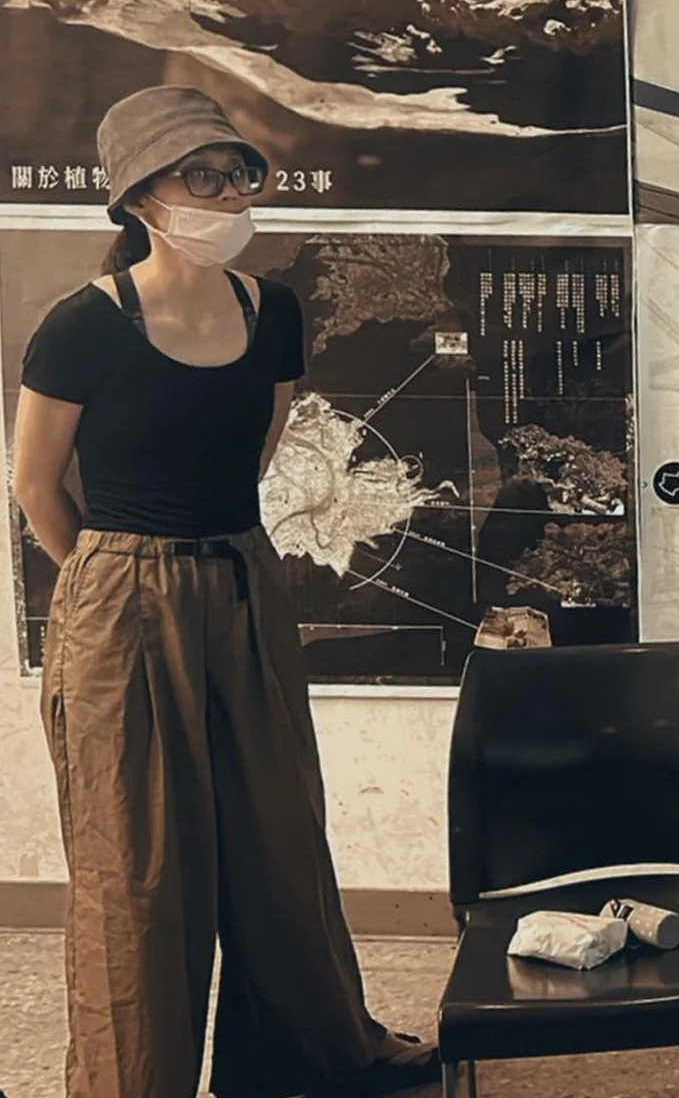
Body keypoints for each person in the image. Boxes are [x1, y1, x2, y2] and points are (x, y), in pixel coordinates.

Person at [12, 86, 439, 1098]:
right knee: (138, 861)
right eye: (198, 176)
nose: (225, 194)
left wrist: (207, 558)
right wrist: (111, 579)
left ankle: (309, 1055)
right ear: (139, 197)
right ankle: (133, 1081)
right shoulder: (81, 326)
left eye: (236, 173)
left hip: (242, 575)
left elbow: (255, 452)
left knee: (277, 833)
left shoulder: (272, 311)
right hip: (121, 597)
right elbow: (34, 486)